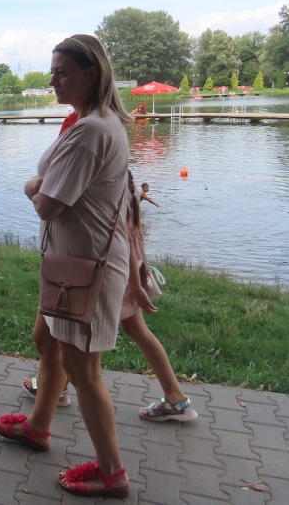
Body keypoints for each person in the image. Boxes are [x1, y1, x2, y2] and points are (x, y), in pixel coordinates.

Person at [0, 34, 133, 498]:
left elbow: (48, 203)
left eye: (62, 72)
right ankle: (38, 426)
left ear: (91, 74)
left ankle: (112, 472)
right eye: (52, 72)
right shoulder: (93, 122)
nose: (53, 80)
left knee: (83, 369)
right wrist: (44, 183)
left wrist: (32, 185)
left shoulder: (92, 131)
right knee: (46, 337)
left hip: (85, 270)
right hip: (67, 264)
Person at [121, 171, 197, 422]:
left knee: (78, 335)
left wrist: (136, 286)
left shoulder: (113, 185)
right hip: (129, 268)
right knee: (136, 330)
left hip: (118, 272)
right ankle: (176, 399)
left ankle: (51, 387)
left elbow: (122, 240)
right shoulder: (129, 184)